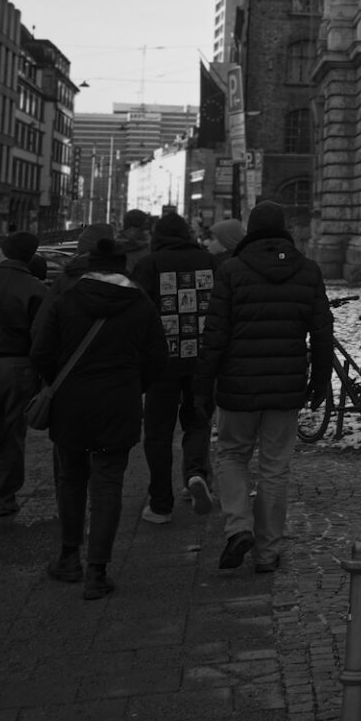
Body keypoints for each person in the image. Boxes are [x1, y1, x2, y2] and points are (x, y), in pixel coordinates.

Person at [195, 200, 332, 574]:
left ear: (251, 231)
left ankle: (239, 526)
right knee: (274, 468)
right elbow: (322, 332)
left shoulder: (231, 271)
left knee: (232, 454)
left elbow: (215, 336)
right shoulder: (307, 271)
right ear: (284, 229)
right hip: (286, 387)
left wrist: (202, 387)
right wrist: (320, 381)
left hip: (237, 386)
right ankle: (267, 553)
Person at [29, 237, 166, 599]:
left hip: (71, 404)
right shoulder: (141, 304)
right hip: (118, 404)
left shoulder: (67, 299)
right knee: (108, 485)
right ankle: (97, 572)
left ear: (90, 265)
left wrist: (60, 382)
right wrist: (133, 385)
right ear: (123, 266)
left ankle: (68, 558)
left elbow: (41, 352)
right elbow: (158, 359)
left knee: (71, 480)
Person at [130, 211, 217, 522]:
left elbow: (137, 314)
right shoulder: (210, 262)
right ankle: (195, 475)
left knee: (158, 433)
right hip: (202, 361)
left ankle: (160, 503)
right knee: (197, 422)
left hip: (161, 363)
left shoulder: (149, 265)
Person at [0, 232, 50, 518]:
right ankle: (2, 498)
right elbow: (42, 337)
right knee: (12, 434)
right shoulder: (36, 288)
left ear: (4, 252)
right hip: (20, 365)